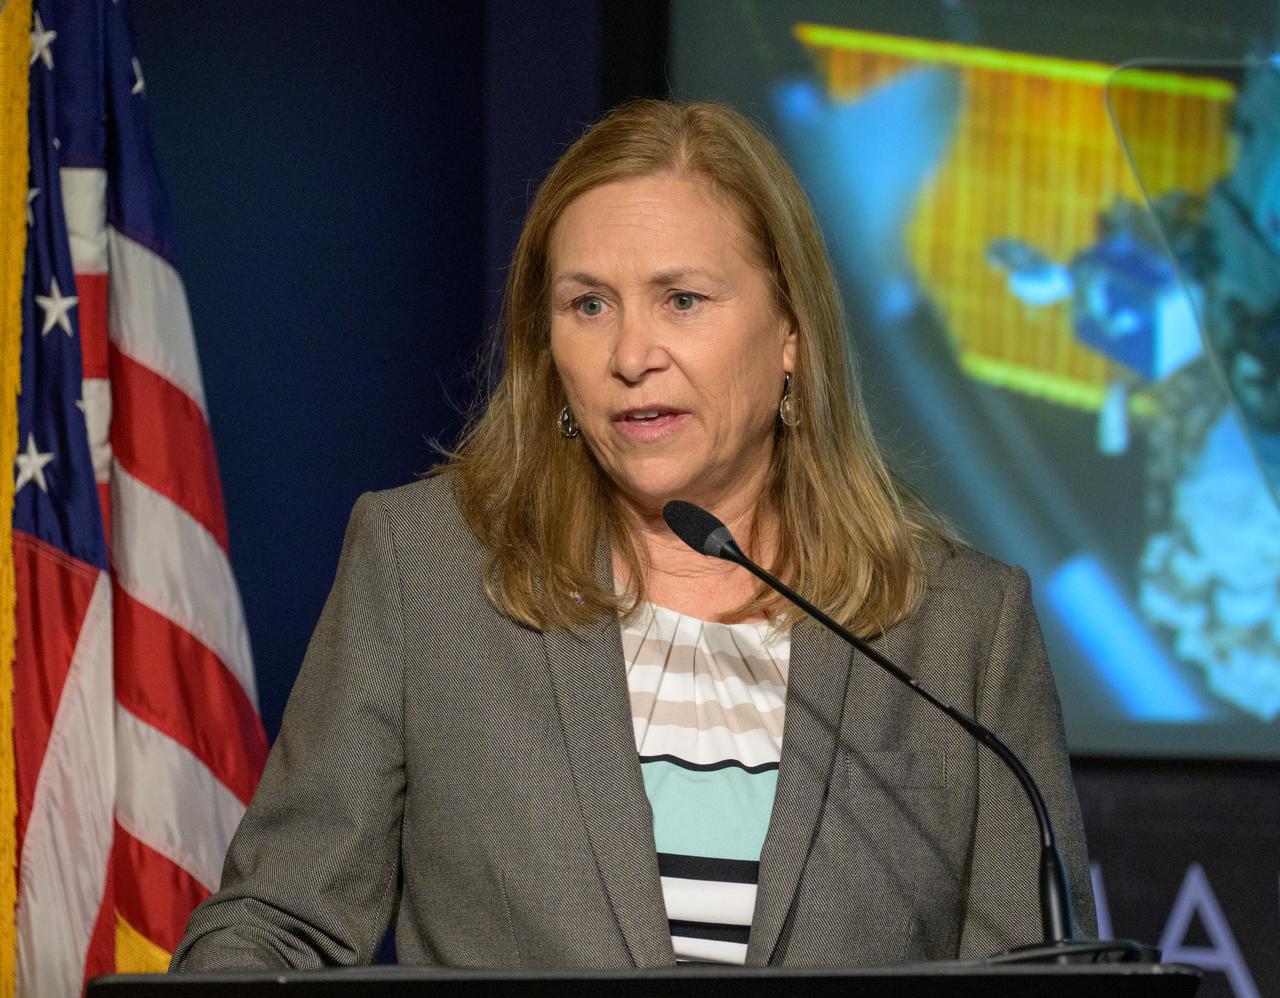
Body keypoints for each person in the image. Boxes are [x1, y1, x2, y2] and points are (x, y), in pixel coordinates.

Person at [171, 99, 1095, 971]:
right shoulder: (426, 571)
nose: (629, 355)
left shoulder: (963, 624)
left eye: (682, 299)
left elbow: (1035, 973)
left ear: (792, 337)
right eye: (589, 305)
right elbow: (275, 924)